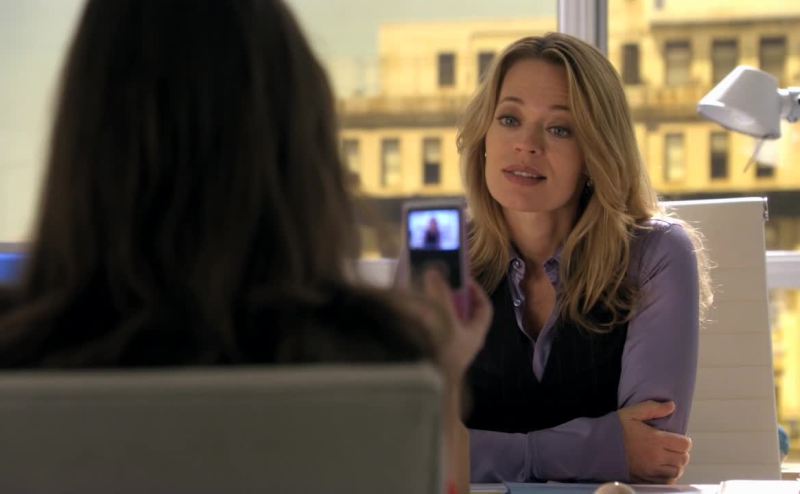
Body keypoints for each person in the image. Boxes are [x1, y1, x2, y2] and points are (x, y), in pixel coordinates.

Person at [0, 1, 492, 492]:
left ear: (80, 139)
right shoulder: (383, 361)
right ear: (303, 151)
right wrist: (445, 381)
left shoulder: (21, 352)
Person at [457, 33, 712, 484]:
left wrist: (480, 451)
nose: (527, 145)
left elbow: (654, 452)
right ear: (484, 136)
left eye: (560, 129)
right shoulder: (442, 258)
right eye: (510, 119)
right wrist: (599, 447)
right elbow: (409, 446)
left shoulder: (657, 254)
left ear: (596, 152)